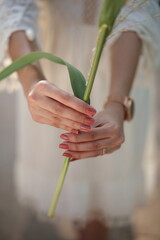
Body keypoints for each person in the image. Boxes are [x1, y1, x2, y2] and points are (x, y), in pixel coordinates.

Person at [0, 0, 160, 239]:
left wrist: (117, 101)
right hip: (51, 66)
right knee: (71, 177)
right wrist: (32, 79)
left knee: (102, 180)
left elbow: (136, 8)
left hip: (123, 62)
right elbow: (13, 5)